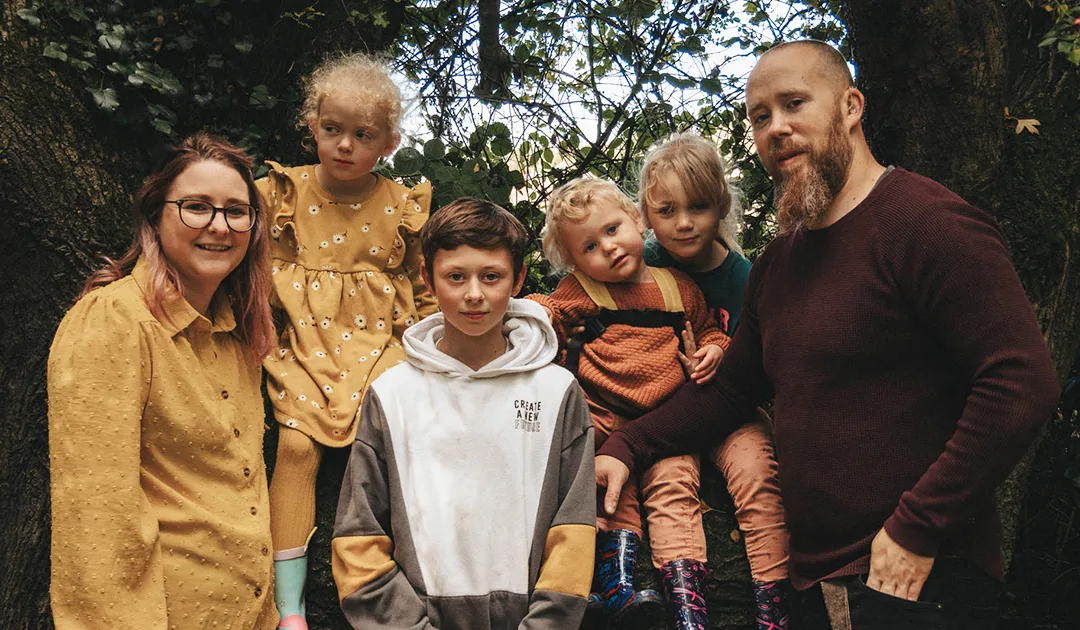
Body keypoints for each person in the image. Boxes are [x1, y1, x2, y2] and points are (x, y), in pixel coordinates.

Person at [594, 40, 1060, 630]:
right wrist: (625, 447)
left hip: (917, 579)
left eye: (794, 104)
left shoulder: (928, 224)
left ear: (851, 106)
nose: (776, 129)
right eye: (760, 117)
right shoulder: (779, 265)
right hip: (813, 584)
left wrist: (918, 526)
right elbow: (731, 392)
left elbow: (1020, 381)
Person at [48, 133, 278, 628]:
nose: (219, 226)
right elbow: (96, 523)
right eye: (197, 207)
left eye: (237, 211)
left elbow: (245, 491)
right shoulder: (114, 322)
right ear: (155, 216)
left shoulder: (239, 337)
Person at [330, 198, 595, 629]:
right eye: (456, 277)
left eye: (491, 276)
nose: (474, 294)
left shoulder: (557, 392)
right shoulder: (392, 394)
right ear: (427, 280)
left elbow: (574, 534)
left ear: (519, 279)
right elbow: (358, 539)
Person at [258, 52, 438, 629]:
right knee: (295, 449)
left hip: (379, 346)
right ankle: (289, 607)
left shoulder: (401, 206)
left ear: (388, 142)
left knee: (392, 441)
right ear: (311, 125)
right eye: (332, 129)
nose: (343, 145)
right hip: (300, 346)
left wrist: (436, 349)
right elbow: (235, 254)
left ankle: (393, 585)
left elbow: (421, 285)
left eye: (362, 135)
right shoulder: (279, 194)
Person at [529, 176, 729, 629]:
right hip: (603, 414)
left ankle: (687, 606)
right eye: (590, 247)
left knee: (675, 492)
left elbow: (708, 327)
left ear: (636, 220)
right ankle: (613, 584)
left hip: (667, 420)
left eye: (613, 229)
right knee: (606, 493)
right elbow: (552, 311)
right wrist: (535, 311)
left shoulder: (677, 286)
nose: (609, 248)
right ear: (575, 262)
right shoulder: (582, 290)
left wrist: (716, 347)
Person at [639, 131, 791, 630]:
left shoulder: (745, 278)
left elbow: (766, 365)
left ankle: (775, 602)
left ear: (721, 205)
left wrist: (723, 355)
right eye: (667, 211)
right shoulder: (639, 268)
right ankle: (687, 608)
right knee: (667, 484)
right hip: (663, 413)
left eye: (698, 207)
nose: (683, 223)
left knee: (759, 475)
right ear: (646, 213)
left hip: (732, 413)